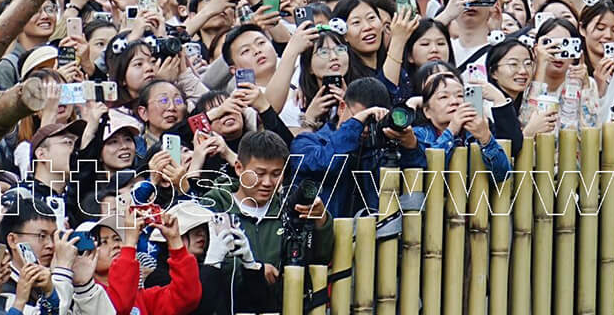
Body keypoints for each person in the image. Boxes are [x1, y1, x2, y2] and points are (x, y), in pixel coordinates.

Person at [203, 130, 333, 311]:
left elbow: (320, 258)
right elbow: (203, 263)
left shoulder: (289, 211)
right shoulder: (214, 207)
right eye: (260, 173)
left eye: (276, 174)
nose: (267, 182)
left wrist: (321, 220)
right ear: (239, 167)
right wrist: (253, 270)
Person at [289, 77, 425, 220]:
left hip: (375, 236)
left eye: (371, 121)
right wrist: (355, 124)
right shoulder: (307, 142)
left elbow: (416, 184)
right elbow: (326, 163)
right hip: (323, 237)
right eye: (361, 118)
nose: (365, 128)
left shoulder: (382, 151)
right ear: (342, 108)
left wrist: (411, 147)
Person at [410, 69, 511, 182]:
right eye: (444, 97)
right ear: (427, 111)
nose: (454, 101)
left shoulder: (477, 131)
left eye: (460, 95)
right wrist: (451, 131)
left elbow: (502, 175)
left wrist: (486, 139)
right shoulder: (418, 135)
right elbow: (427, 174)